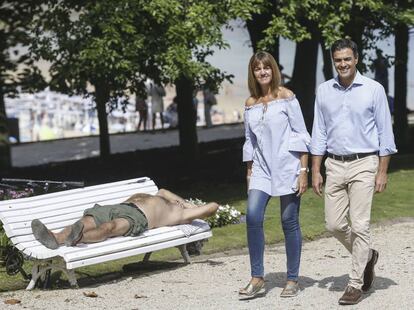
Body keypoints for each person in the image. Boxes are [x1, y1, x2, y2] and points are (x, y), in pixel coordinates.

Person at [310, 39, 397, 306]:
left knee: (360, 225)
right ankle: (368, 255)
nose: (343, 64)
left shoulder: (374, 89)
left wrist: (382, 171)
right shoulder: (324, 91)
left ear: (356, 59)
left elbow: (385, 133)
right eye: (338, 60)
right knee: (334, 224)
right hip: (333, 164)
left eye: (347, 58)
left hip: (364, 163)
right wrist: (315, 169)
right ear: (333, 61)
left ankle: (354, 283)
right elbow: (319, 132)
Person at [239, 51, 310, 300]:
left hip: (287, 167)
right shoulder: (250, 103)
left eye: (266, 67)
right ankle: (257, 277)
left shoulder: (287, 97)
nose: (262, 72)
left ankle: (292, 279)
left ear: (273, 70)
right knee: (253, 215)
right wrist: (249, 171)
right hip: (261, 170)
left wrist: (304, 171)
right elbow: (250, 140)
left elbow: (301, 134)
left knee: (289, 221)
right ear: (253, 73)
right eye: (257, 68)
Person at [31, 189, 219, 250]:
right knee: (84, 222)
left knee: (110, 227)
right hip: (119, 207)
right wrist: (180, 200)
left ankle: (77, 238)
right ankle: (55, 238)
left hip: (138, 218)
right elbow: (162, 190)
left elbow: (213, 206)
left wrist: (189, 207)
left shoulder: (181, 215)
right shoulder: (165, 197)